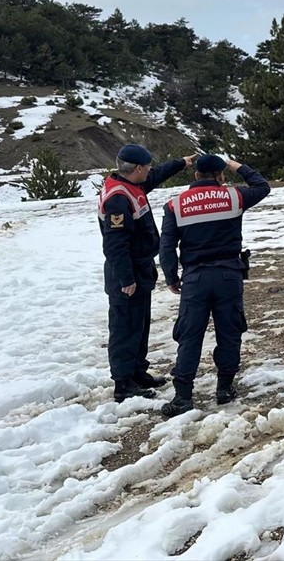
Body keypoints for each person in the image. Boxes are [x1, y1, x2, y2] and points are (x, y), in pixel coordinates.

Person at [158, 154, 271, 416]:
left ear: (195, 175)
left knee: (189, 336)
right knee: (229, 332)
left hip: (195, 279)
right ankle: (224, 388)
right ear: (220, 176)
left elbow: (167, 247)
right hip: (229, 276)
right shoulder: (234, 197)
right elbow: (262, 186)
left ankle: (183, 397)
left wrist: (171, 277)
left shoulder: (175, 205)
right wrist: (236, 165)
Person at [98, 143, 195, 402]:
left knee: (139, 325)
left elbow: (155, 175)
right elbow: (115, 244)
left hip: (140, 267)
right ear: (138, 168)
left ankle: (138, 372)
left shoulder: (132, 184)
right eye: (147, 167)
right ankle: (123, 383)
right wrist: (126, 278)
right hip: (126, 271)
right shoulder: (118, 197)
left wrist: (181, 163)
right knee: (124, 327)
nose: (150, 170)